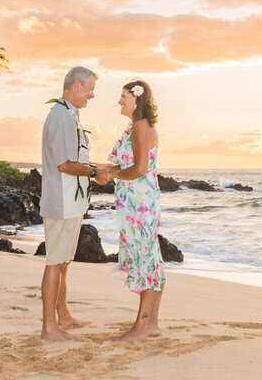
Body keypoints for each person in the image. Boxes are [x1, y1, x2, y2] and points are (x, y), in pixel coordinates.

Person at [39, 65, 104, 341]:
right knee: (54, 262)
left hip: (72, 201)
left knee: (64, 261)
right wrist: (92, 172)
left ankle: (63, 315)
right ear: (76, 85)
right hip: (61, 201)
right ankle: (48, 328)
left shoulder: (70, 115)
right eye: (90, 89)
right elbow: (64, 164)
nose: (92, 95)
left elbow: (74, 158)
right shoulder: (61, 117)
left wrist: (99, 167)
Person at [99, 79, 165, 340]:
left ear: (137, 98)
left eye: (124, 96)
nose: (119, 101)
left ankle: (140, 327)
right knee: (150, 257)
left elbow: (139, 169)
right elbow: (121, 165)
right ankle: (152, 323)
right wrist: (94, 169)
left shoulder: (141, 126)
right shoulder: (136, 127)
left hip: (140, 204)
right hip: (138, 201)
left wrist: (111, 174)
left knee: (144, 259)